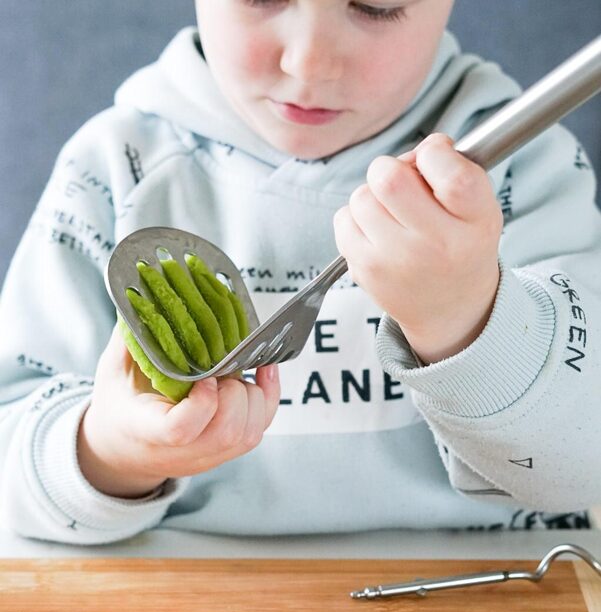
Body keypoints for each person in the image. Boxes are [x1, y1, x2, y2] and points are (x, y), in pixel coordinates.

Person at [0, 0, 599, 545]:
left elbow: (583, 460)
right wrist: (111, 452)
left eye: (378, 5)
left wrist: (465, 316)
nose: (309, 63)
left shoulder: (523, 171)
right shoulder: (114, 167)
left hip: (493, 606)